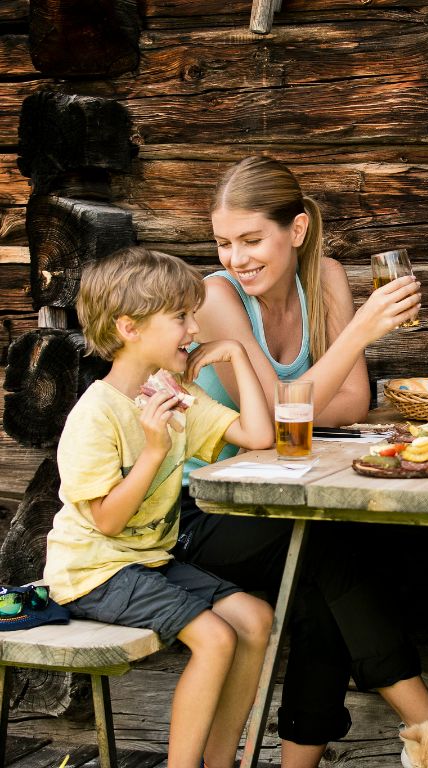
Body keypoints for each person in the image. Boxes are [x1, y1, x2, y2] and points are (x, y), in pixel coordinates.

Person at [175, 156, 428, 768]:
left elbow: (353, 399)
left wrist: (302, 396)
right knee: (321, 544)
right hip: (202, 511)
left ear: (295, 231)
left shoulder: (323, 277)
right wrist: (360, 334)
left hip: (281, 494)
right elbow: (271, 422)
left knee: (323, 574)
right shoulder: (217, 298)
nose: (236, 259)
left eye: (251, 240)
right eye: (223, 243)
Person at [43, 247, 275, 768]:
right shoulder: (96, 413)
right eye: (180, 318)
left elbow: (257, 436)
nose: (194, 329)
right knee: (215, 639)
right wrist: (152, 450)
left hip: (147, 562)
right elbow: (106, 520)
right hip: (93, 570)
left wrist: (237, 353)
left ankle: (220, 761)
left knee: (256, 619)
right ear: (129, 327)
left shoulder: (173, 394)